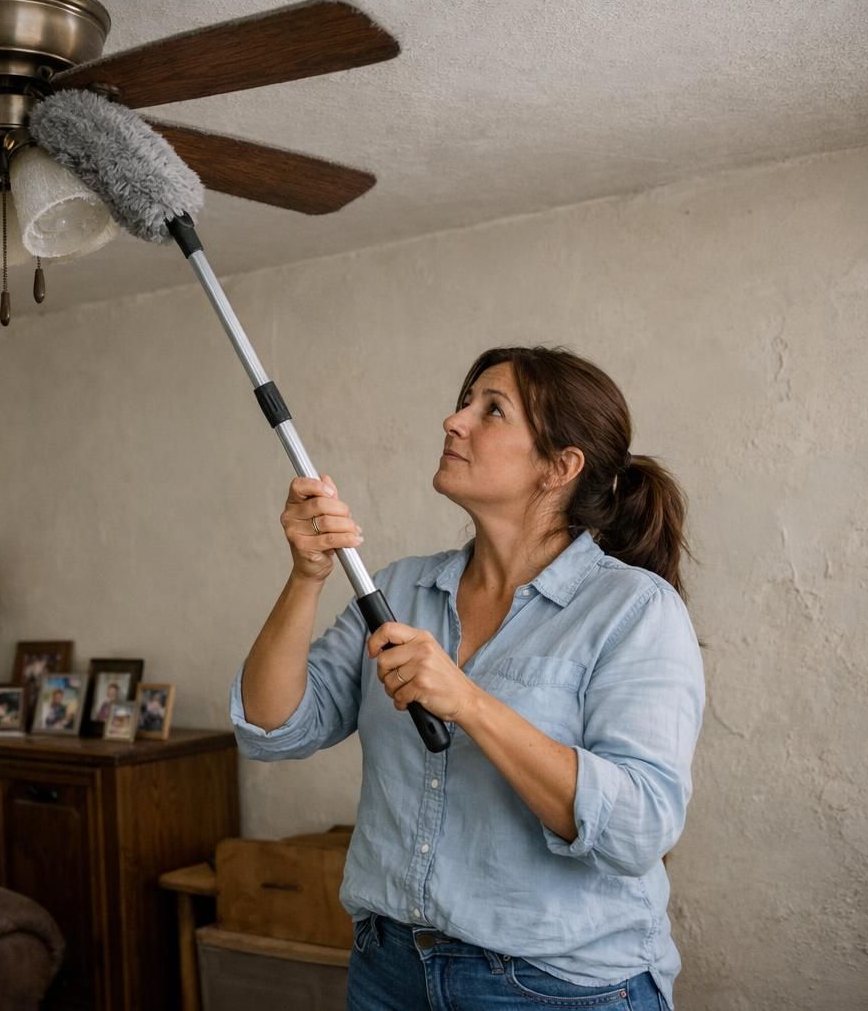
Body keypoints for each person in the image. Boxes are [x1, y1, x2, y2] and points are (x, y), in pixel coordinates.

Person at [231, 346, 705, 1011]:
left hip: (557, 988)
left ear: (560, 466)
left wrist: (470, 702)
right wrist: (306, 577)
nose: (454, 422)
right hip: (388, 972)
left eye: (492, 410)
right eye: (464, 403)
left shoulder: (634, 611)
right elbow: (272, 729)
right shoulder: (397, 588)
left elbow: (638, 828)